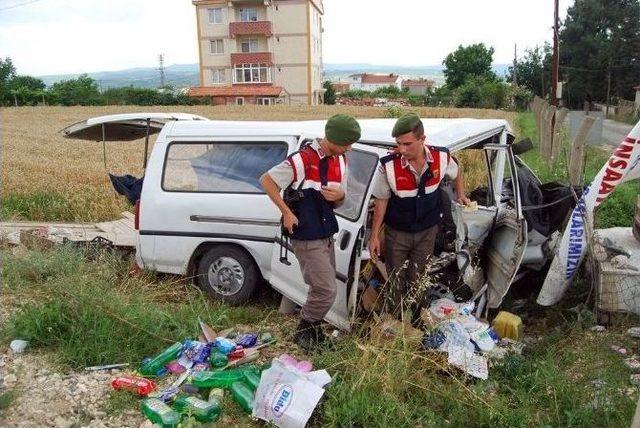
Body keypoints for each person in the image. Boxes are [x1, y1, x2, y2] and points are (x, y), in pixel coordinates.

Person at [260, 114, 361, 351]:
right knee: (326, 289)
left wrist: (341, 197)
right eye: (346, 143)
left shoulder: (341, 161)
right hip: (306, 234)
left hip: (326, 232)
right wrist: (286, 212)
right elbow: (267, 181)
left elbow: (338, 199)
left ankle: (312, 333)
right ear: (333, 139)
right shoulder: (302, 159)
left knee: (322, 287)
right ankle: (304, 332)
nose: (349, 148)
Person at [368, 113, 470, 315]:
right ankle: (397, 318)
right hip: (397, 233)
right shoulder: (387, 165)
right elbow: (381, 200)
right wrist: (374, 237)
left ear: (423, 139)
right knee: (396, 278)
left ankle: (416, 316)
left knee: (419, 277)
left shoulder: (442, 157)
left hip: (427, 231)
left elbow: (457, 172)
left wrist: (461, 195)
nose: (403, 150)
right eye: (399, 144)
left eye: (408, 144)